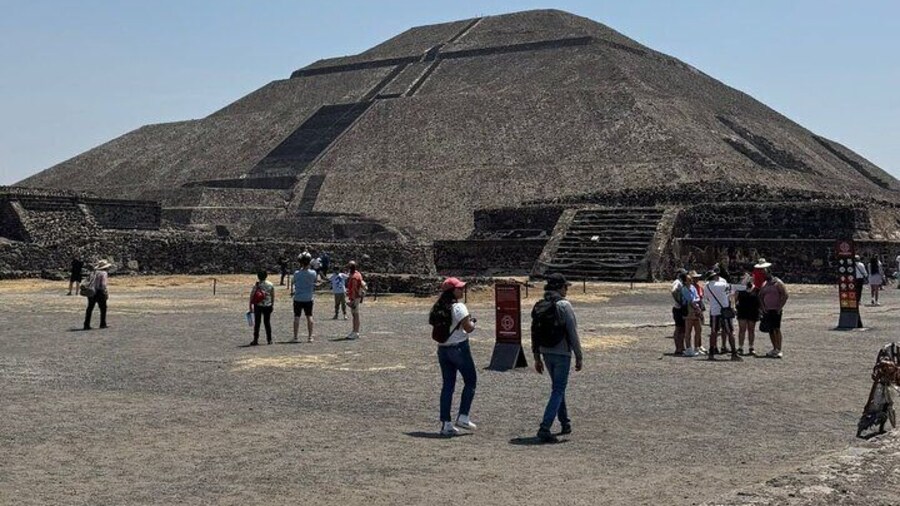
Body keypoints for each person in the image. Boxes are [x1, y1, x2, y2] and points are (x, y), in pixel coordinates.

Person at [532, 273, 583, 443]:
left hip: (546, 351)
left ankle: (565, 422)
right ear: (560, 287)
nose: (566, 289)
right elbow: (572, 332)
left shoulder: (540, 305)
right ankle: (545, 427)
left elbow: (534, 332)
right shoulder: (564, 305)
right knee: (558, 389)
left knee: (558, 387)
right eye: (565, 286)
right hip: (562, 352)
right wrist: (579, 356)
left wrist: (536, 356)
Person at [434, 277, 478, 436]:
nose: (462, 290)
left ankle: (446, 423)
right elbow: (468, 327)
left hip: (443, 349)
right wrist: (473, 322)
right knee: (471, 381)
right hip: (459, 348)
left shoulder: (439, 307)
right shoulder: (459, 307)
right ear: (452, 291)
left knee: (448, 385)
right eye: (459, 288)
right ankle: (463, 416)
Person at [704, 270, 741, 361]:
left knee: (714, 332)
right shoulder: (722, 284)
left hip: (714, 311)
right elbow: (733, 289)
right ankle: (734, 353)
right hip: (724, 311)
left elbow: (707, 298)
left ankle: (711, 353)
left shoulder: (706, 286)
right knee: (730, 332)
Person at [758, 268, 789, 358]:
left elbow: (785, 295)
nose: (764, 275)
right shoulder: (764, 284)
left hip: (776, 310)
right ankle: (774, 348)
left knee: (776, 329)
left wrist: (780, 307)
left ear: (770, 273)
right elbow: (760, 296)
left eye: (765, 273)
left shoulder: (778, 283)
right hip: (767, 310)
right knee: (770, 329)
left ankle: (779, 349)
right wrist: (763, 307)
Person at [291, 254, 318, 343]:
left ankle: (295, 337)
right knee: (309, 316)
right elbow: (315, 281)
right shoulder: (313, 273)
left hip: (298, 298)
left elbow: (293, 282)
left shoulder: (297, 273)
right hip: (308, 298)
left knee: (297, 317)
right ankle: (310, 337)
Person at [682, 271, 706, 357]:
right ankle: (688, 349)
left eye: (690, 279)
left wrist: (696, 304)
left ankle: (697, 348)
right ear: (685, 281)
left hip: (696, 310)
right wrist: (695, 303)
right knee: (688, 331)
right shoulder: (684, 289)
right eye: (689, 280)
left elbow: (697, 297)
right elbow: (690, 299)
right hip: (689, 311)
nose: (691, 281)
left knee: (698, 329)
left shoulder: (693, 287)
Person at [735, 274, 760, 356]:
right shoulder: (740, 289)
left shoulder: (756, 290)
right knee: (742, 329)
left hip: (753, 311)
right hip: (742, 311)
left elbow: (759, 300)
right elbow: (735, 299)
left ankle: (751, 347)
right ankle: (740, 347)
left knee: (751, 330)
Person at [248, 270, 275, 345]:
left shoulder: (257, 285)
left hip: (258, 305)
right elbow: (272, 295)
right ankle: (269, 339)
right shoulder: (270, 284)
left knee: (257, 323)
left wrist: (250, 305)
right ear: (266, 276)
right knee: (267, 322)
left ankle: (255, 339)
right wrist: (272, 304)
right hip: (268, 305)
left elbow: (252, 295)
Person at [83, 259, 111, 330]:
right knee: (103, 308)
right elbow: (103, 284)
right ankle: (103, 323)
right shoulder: (104, 273)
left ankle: (86, 324)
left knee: (90, 308)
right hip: (99, 292)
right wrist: (105, 292)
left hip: (91, 291)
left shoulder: (93, 272)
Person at [345, 261, 364, 340]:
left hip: (355, 298)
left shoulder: (354, 278)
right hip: (357, 297)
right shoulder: (358, 274)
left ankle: (355, 332)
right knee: (355, 315)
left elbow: (354, 289)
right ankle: (355, 331)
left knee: (355, 315)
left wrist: (352, 301)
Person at [670, 269, 688, 355]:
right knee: (678, 328)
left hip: (682, 308)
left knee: (683, 328)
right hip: (678, 309)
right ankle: (678, 348)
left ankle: (682, 347)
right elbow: (673, 291)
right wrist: (679, 300)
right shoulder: (677, 282)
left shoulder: (682, 282)